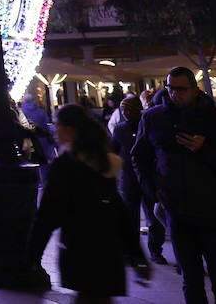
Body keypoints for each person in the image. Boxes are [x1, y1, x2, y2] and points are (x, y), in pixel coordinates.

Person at [132, 66, 216, 304]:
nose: (175, 95)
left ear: (195, 90)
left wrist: (204, 149)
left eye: (181, 90)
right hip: (178, 213)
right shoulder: (154, 118)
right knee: (190, 278)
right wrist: (153, 190)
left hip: (214, 212)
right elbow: (139, 157)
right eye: (170, 89)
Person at [28, 103, 149, 302]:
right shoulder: (104, 161)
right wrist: (137, 256)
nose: (55, 131)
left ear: (69, 129)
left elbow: (47, 215)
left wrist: (32, 255)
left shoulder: (65, 165)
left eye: (57, 125)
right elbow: (119, 213)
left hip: (80, 250)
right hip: (108, 251)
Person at [108, 94, 166, 266]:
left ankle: (155, 250)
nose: (125, 112)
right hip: (129, 179)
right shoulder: (119, 129)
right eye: (123, 109)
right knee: (130, 218)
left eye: (128, 108)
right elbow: (114, 151)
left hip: (147, 177)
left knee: (153, 217)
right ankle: (131, 251)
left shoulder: (147, 123)